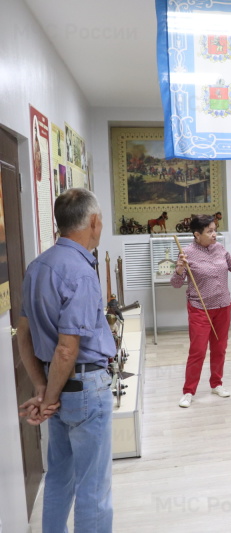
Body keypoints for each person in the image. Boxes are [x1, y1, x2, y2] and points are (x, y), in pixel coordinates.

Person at [17, 188, 115, 532]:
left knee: (59, 478)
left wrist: (44, 390)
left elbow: (23, 334)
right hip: (84, 389)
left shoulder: (37, 266)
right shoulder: (81, 273)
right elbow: (66, 349)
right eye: (100, 219)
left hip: (57, 387)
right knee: (94, 488)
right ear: (92, 221)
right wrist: (52, 396)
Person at [172, 214, 231, 408]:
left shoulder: (219, 249)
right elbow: (176, 284)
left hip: (223, 306)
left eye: (214, 229)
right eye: (209, 231)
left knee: (219, 348)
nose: (214, 234)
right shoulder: (186, 253)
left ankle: (216, 384)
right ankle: (188, 391)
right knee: (198, 351)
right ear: (197, 234)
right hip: (199, 308)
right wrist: (178, 268)